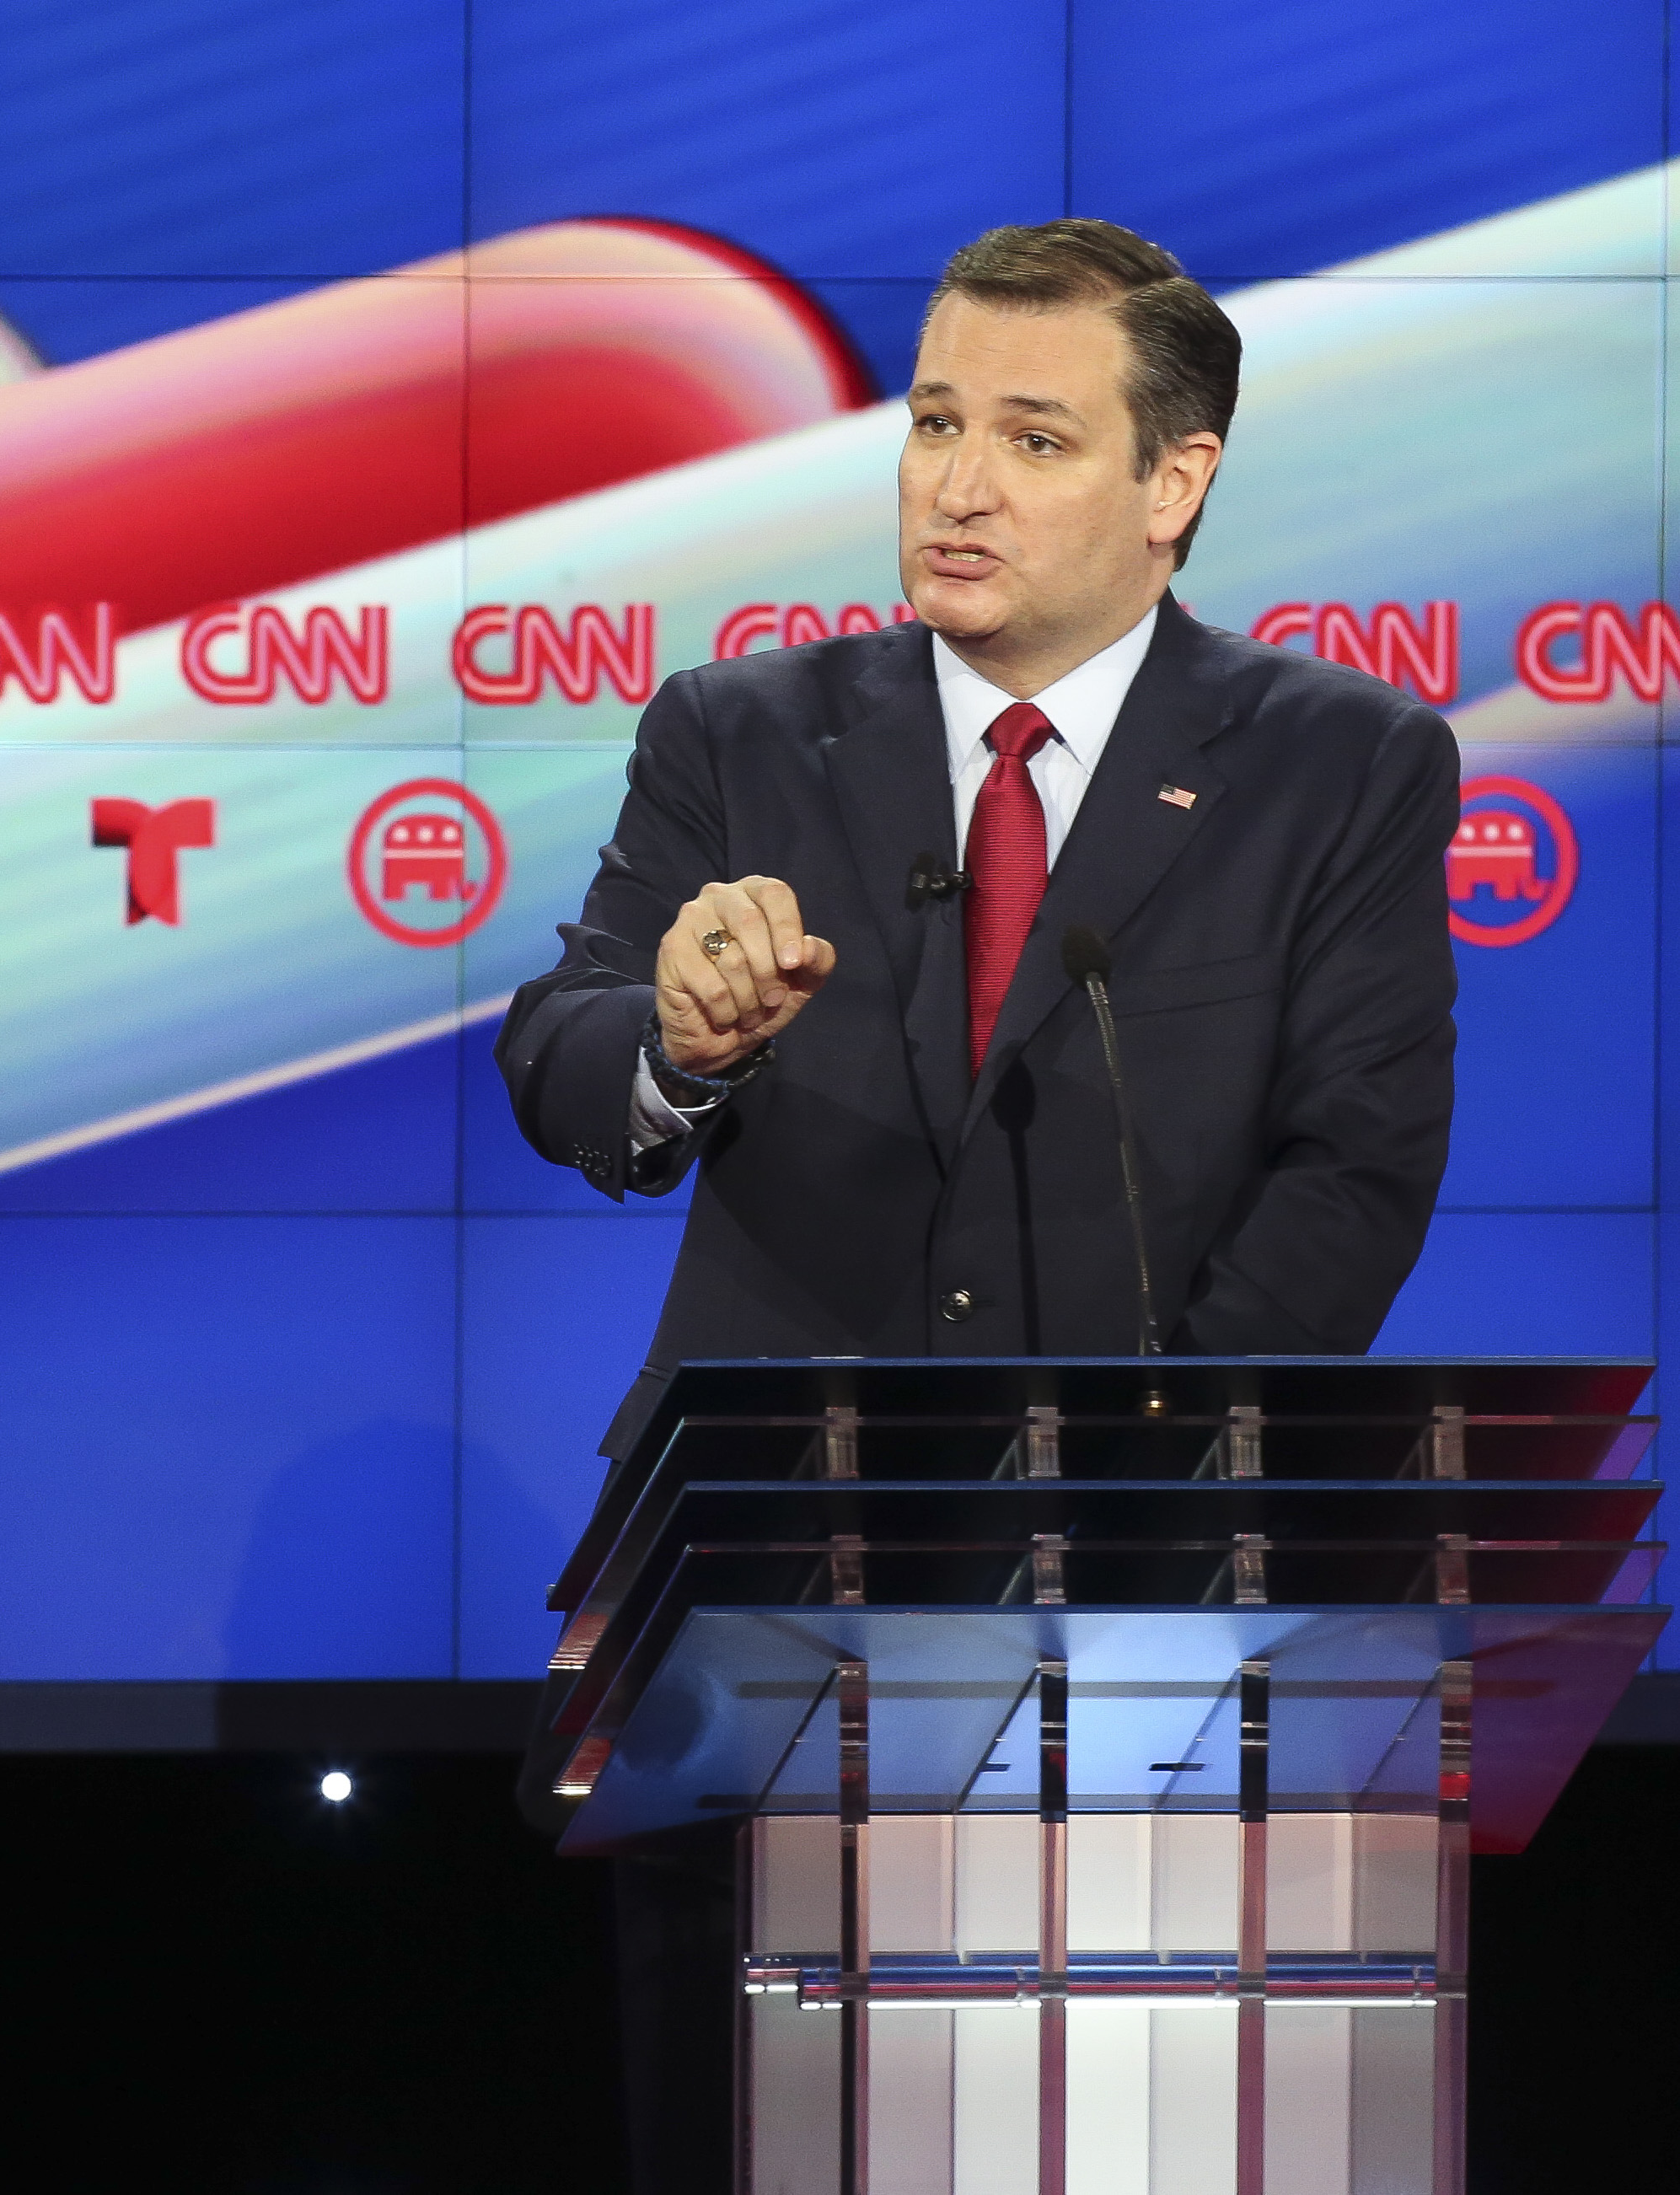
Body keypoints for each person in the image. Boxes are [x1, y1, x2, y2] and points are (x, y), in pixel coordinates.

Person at [495, 218, 1457, 2194]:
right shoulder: (742, 734)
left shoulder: (1338, 769)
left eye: (1033, 434)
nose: (955, 482)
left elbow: (1353, 1170)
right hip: (759, 1633)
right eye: (935, 420)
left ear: (1174, 481)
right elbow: (564, 1059)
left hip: (1162, 1643)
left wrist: (1133, 1490)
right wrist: (681, 1040)